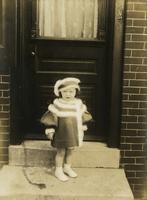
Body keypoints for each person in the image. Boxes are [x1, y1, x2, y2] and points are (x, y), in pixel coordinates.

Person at [41, 77, 92, 181]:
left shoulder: (78, 104)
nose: (68, 94)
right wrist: (50, 129)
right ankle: (58, 171)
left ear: (76, 92)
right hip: (62, 132)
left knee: (70, 151)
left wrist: (82, 125)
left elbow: (83, 116)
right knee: (61, 152)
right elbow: (51, 118)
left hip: (73, 132)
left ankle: (67, 168)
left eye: (71, 91)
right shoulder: (57, 104)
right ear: (60, 92)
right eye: (65, 91)